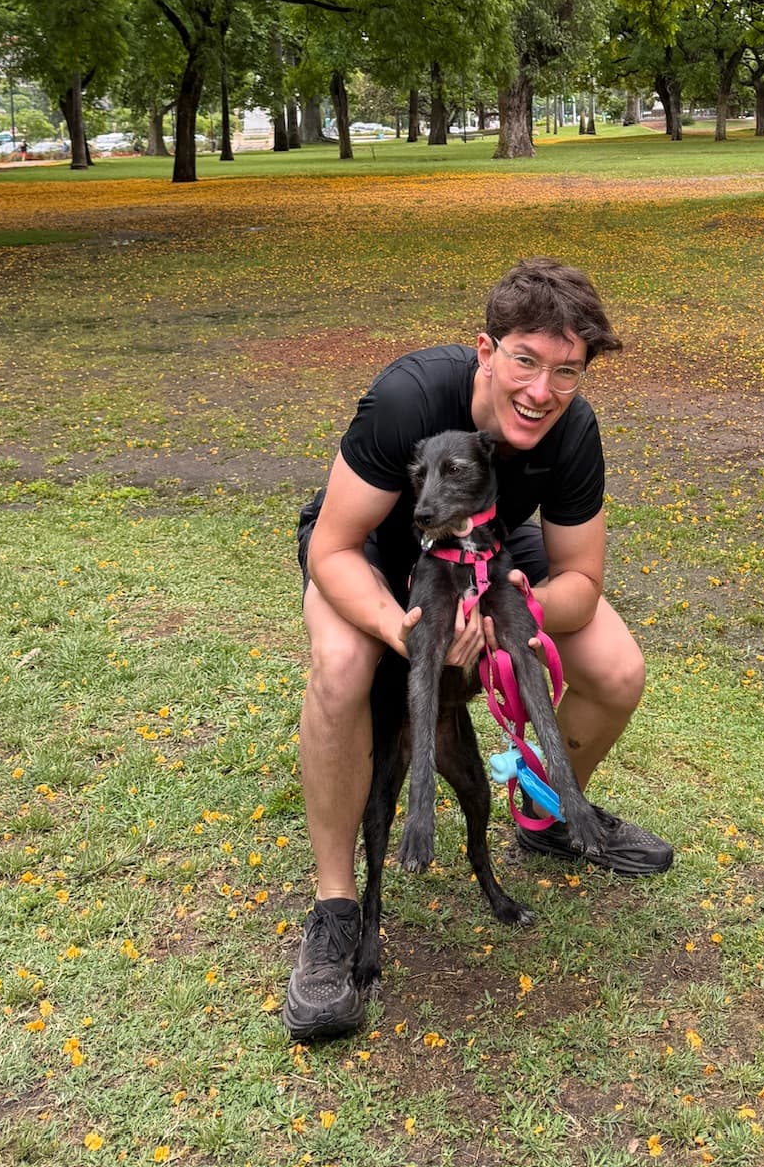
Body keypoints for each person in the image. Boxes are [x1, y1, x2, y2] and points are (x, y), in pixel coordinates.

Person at [285, 256, 672, 1040]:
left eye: (567, 372)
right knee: (344, 667)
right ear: (487, 349)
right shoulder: (410, 397)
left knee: (618, 669)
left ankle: (545, 815)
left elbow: (581, 583)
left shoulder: (574, 431)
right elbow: (331, 547)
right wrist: (407, 631)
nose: (541, 390)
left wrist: (511, 615)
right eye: (526, 360)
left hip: (488, 551)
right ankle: (334, 912)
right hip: (372, 555)